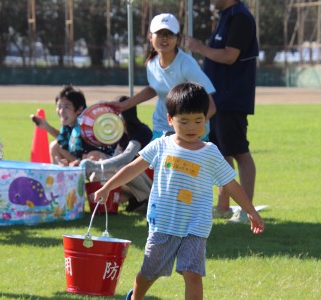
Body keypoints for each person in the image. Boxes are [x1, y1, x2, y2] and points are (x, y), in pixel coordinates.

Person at [93, 83, 264, 300]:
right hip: (164, 223)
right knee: (149, 272)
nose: (192, 127)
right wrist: (108, 187)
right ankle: (136, 297)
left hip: (196, 226)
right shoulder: (161, 145)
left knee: (193, 274)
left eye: (198, 121)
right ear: (170, 120)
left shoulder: (210, 152)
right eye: (184, 121)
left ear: (206, 119)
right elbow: (133, 168)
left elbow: (231, 184)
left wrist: (250, 211)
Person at [186, 0, 259, 222]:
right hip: (218, 99)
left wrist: (198, 48)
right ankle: (223, 206)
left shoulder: (240, 18)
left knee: (239, 152)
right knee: (221, 153)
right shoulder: (226, 16)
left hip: (232, 99)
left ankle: (247, 211)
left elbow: (229, 56)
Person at [112, 13, 216, 141]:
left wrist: (189, 129)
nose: (164, 38)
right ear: (151, 37)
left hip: (192, 136)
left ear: (178, 39)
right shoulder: (151, 63)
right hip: (161, 128)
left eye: (169, 33)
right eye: (160, 33)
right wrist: (123, 105)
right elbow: (155, 88)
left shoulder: (187, 65)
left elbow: (211, 106)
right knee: (154, 162)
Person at [80, 96, 153, 212]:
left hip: (148, 178)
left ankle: (147, 199)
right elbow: (116, 157)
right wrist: (100, 164)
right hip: (131, 178)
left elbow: (126, 158)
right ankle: (130, 200)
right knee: (97, 175)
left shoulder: (142, 131)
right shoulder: (121, 133)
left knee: (120, 168)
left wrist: (95, 165)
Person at [31, 85, 114, 166]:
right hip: (83, 159)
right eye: (59, 107)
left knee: (93, 156)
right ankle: (60, 177)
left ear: (79, 109)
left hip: (103, 162)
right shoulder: (71, 123)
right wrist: (46, 126)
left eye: (66, 107)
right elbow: (65, 140)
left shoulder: (86, 125)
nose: (61, 111)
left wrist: (72, 164)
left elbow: (91, 155)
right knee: (55, 146)